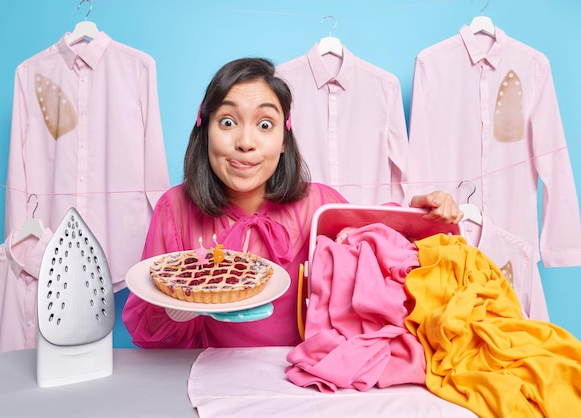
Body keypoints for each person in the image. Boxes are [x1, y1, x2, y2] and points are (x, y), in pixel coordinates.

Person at [122, 57, 463, 349]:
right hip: (209, 377)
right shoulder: (175, 208)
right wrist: (175, 306)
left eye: (265, 124)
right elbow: (145, 331)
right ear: (204, 128)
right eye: (227, 122)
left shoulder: (319, 203)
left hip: (302, 379)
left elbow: (378, 246)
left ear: (284, 140)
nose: (245, 142)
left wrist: (419, 215)